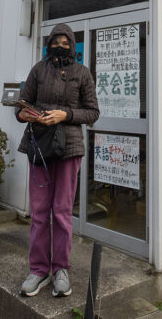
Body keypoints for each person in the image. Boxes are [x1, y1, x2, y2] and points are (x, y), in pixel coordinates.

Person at [16, 23, 99, 298]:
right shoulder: (38, 70)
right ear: (48, 43)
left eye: (65, 42)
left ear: (72, 45)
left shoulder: (82, 73)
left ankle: (61, 269)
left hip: (69, 147)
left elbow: (93, 112)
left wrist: (65, 115)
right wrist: (24, 114)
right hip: (39, 146)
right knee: (39, 212)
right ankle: (38, 270)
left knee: (62, 212)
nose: (60, 46)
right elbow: (23, 103)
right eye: (55, 41)